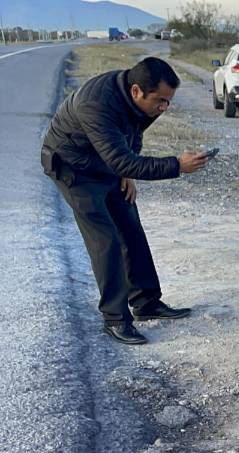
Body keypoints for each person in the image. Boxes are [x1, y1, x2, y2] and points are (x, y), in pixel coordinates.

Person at [41, 56, 208, 345]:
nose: (164, 108)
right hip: (74, 168)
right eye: (160, 101)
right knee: (106, 241)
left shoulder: (141, 96)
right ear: (136, 92)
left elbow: (134, 133)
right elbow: (121, 157)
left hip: (105, 161)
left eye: (168, 101)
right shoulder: (96, 104)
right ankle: (115, 318)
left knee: (131, 228)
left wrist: (126, 171)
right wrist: (175, 165)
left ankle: (146, 302)